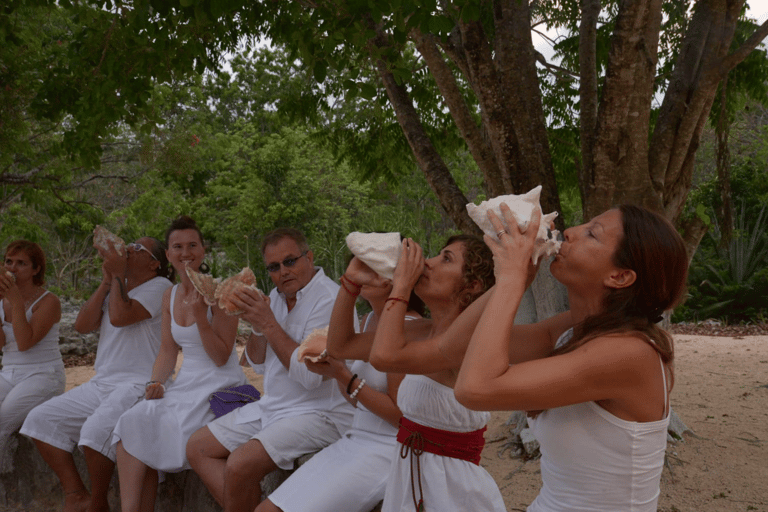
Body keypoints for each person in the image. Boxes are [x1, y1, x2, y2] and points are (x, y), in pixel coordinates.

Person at [454, 204, 688, 511]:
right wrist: (517, 279)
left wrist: (510, 279)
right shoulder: (572, 329)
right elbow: (460, 344)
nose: (570, 231)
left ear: (619, 276)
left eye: (591, 233)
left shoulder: (629, 352)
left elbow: (474, 388)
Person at [186, 228, 356, 512]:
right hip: (276, 407)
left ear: (309, 257)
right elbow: (258, 362)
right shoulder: (276, 297)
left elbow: (310, 379)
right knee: (197, 447)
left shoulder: (330, 300)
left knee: (239, 464)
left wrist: (268, 323)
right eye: (274, 267)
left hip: (321, 413)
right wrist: (257, 326)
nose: (283, 272)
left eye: (290, 261)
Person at [343, 234, 505, 512]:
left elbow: (384, 357)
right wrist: (349, 283)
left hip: (452, 491)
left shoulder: (466, 343)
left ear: (472, 286)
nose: (427, 263)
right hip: (409, 475)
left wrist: (402, 285)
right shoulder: (423, 331)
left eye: (446, 258)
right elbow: (340, 346)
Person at [255, 257, 425, 512]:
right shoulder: (368, 321)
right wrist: (336, 374)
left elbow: (401, 418)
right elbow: (357, 401)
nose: (362, 275)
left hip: (388, 449)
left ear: (395, 276)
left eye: (372, 267)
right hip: (356, 437)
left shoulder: (408, 328)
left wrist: (344, 376)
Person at [20, 232, 172, 512]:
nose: (128, 248)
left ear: (155, 264)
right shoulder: (117, 286)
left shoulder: (160, 286)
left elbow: (120, 317)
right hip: (101, 383)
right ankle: (77, 494)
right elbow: (82, 325)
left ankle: (99, 502)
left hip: (138, 384)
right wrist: (107, 280)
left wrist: (115, 277)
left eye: (137, 248)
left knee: (93, 432)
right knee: (39, 420)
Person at [112, 215, 246, 512]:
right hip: (185, 383)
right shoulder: (169, 295)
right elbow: (167, 349)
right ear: (169, 255)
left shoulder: (223, 292)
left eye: (192, 245)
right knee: (132, 421)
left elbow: (222, 356)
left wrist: (201, 316)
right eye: (178, 247)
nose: (186, 253)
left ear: (203, 250)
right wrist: (156, 382)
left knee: (174, 425)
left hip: (220, 384)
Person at [0, 241, 65, 473]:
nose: (13, 268)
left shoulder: (49, 301)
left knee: (2, 420)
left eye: (22, 263)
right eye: (9, 261)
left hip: (43, 374)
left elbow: (25, 342)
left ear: (36, 269)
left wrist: (16, 300)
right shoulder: (1, 301)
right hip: (9, 373)